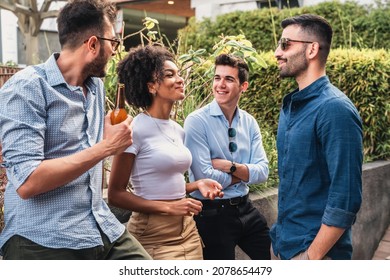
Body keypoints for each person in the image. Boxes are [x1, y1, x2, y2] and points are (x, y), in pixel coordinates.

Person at [0, 0, 151, 260]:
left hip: (99, 226)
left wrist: (106, 138)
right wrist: (106, 147)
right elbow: (28, 182)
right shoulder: (26, 88)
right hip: (43, 237)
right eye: (112, 42)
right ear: (92, 44)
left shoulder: (95, 88)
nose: (116, 50)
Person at [108, 44, 223, 260]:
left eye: (179, 74)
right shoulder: (135, 130)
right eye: (170, 75)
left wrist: (196, 185)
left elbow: (162, 183)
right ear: (151, 86)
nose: (180, 79)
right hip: (153, 232)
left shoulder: (177, 130)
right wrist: (169, 208)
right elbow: (115, 194)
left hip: (187, 228)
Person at [270, 14, 363, 260]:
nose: (276, 52)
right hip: (284, 245)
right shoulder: (290, 106)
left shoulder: (335, 109)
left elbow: (346, 198)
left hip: (317, 255)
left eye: (285, 44)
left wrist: (310, 258)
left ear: (312, 49)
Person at [183, 54, 271, 260]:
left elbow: (263, 171)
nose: (220, 85)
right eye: (217, 78)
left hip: (246, 208)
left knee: (272, 258)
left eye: (229, 79)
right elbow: (204, 176)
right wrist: (244, 172)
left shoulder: (249, 122)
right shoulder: (196, 121)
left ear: (244, 86)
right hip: (211, 215)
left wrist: (230, 167)